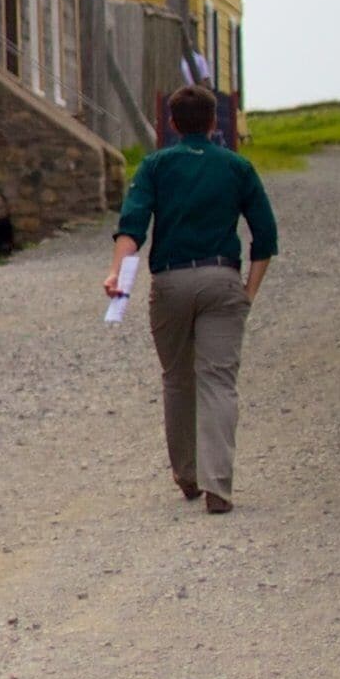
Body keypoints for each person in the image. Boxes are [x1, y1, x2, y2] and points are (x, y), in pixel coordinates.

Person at [108, 84, 277, 513]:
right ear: (214, 121)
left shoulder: (155, 167)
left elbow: (133, 227)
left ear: (172, 123)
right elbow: (265, 236)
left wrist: (117, 273)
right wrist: (248, 292)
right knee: (218, 381)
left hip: (171, 281)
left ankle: (187, 473)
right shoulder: (237, 167)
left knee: (177, 377)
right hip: (222, 278)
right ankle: (218, 482)